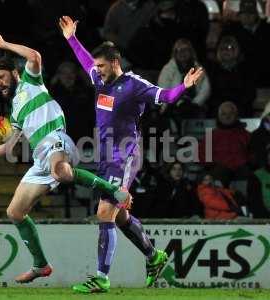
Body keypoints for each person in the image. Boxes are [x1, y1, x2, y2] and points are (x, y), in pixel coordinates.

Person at [0, 31, 133, 284]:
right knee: (15, 212)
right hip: (39, 157)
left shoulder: (30, 83)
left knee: (61, 171)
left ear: (14, 73)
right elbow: (7, 147)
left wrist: (4, 44)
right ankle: (41, 265)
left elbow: (34, 56)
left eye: (1, 77)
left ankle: (113, 189)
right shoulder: (15, 111)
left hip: (56, 140)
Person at [59, 15, 204, 292]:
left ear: (116, 62)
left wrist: (184, 86)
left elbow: (165, 96)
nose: (96, 70)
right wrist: (71, 38)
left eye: (102, 66)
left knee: (104, 213)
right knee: (119, 216)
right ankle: (154, 256)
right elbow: (85, 60)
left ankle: (101, 277)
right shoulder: (100, 80)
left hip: (125, 155)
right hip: (105, 155)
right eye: (97, 66)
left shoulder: (134, 84)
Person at [158, 38, 211, 119]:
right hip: (173, 105)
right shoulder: (168, 69)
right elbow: (163, 89)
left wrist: (195, 103)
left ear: (191, 52)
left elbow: (205, 90)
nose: (182, 53)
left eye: (185, 50)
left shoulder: (198, 68)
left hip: (194, 105)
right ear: (175, 53)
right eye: (179, 50)